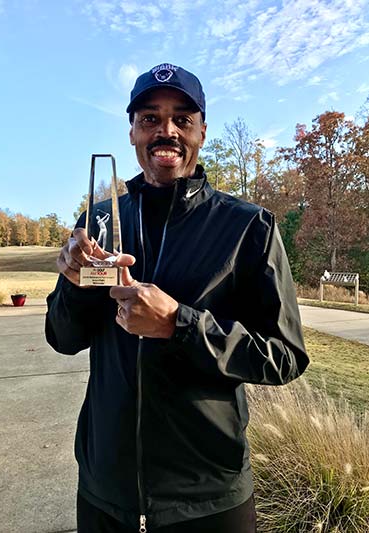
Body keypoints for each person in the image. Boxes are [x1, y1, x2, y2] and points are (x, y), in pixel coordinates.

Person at [45, 63, 309, 533]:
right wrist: (72, 280)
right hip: (106, 493)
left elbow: (284, 356)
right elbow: (64, 339)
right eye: (150, 118)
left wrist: (180, 324)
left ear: (202, 132)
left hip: (208, 501)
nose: (166, 131)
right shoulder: (100, 221)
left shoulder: (248, 226)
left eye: (182, 119)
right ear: (131, 132)